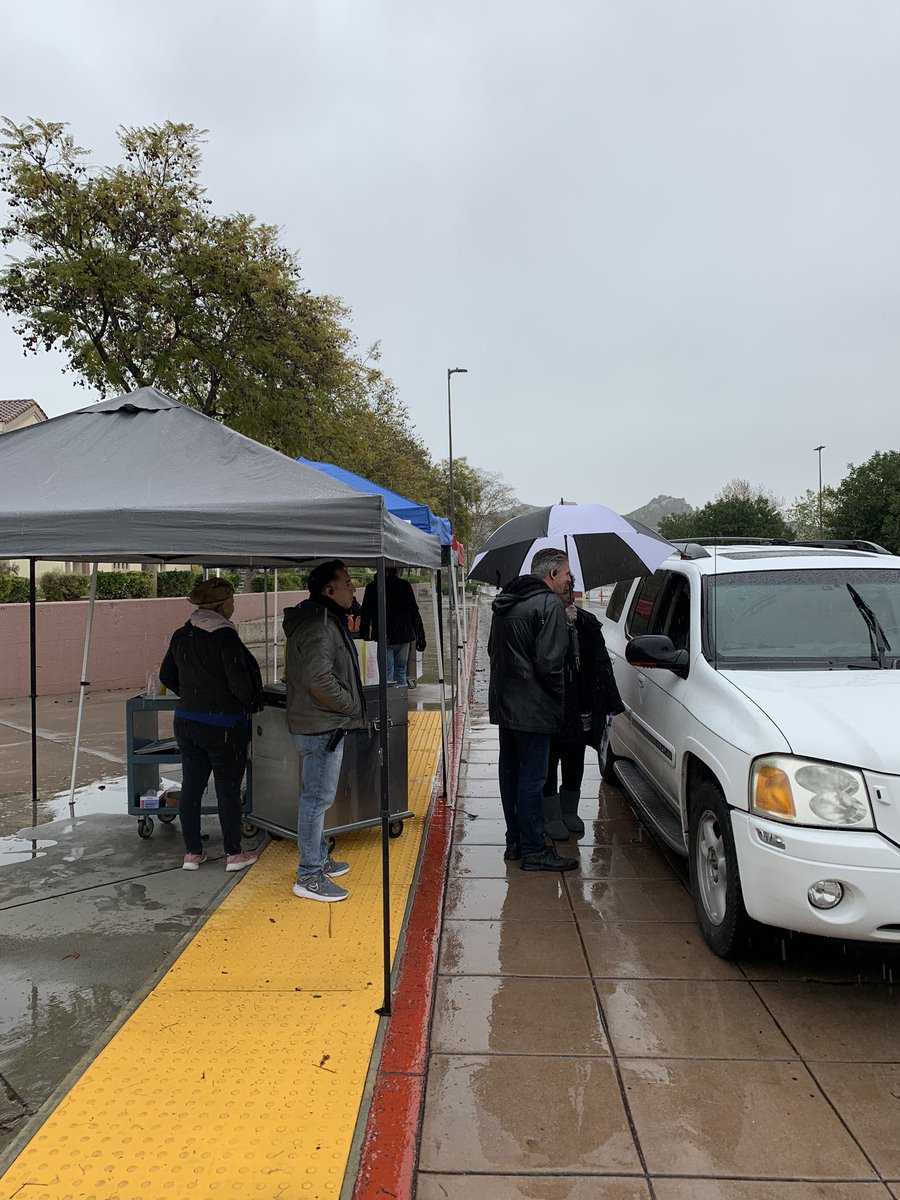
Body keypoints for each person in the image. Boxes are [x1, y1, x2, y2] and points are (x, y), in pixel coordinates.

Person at [159, 577, 263, 872]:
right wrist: (250, 703)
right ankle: (233, 853)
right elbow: (242, 686)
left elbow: (167, 676)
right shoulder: (225, 637)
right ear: (222, 606)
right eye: (232, 601)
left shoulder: (181, 635)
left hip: (187, 722)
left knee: (191, 786)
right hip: (224, 726)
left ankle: (192, 853)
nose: (233, 607)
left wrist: (193, 696)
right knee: (228, 789)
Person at [488, 547, 578, 872]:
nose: (570, 580)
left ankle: (514, 842)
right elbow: (550, 664)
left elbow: (491, 651)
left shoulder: (505, 602)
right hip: (534, 708)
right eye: (567, 574)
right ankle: (534, 849)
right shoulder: (549, 604)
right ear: (552, 574)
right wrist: (559, 703)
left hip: (505, 705)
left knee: (510, 773)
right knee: (532, 778)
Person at [283, 560, 367, 902]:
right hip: (322, 727)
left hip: (317, 724)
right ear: (328, 591)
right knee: (316, 800)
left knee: (315, 797)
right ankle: (309, 875)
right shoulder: (320, 625)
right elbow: (319, 680)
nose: (353, 589)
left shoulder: (320, 619)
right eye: (347, 583)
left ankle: (318, 858)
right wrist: (351, 706)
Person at [542, 581, 625, 840]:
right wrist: (561, 628)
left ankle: (569, 809)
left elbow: (599, 662)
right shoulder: (543, 620)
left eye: (570, 591)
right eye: (562, 591)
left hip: (580, 704)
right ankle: (551, 813)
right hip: (553, 705)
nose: (567, 596)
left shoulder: (586, 623)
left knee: (575, 754)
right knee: (549, 758)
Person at [359, 566, 426, 686]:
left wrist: (364, 636)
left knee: (386, 673)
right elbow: (414, 612)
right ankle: (400, 700)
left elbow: (365, 614)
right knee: (401, 671)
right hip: (403, 636)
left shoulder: (372, 587)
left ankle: (389, 701)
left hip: (384, 636)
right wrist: (420, 635)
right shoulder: (404, 585)